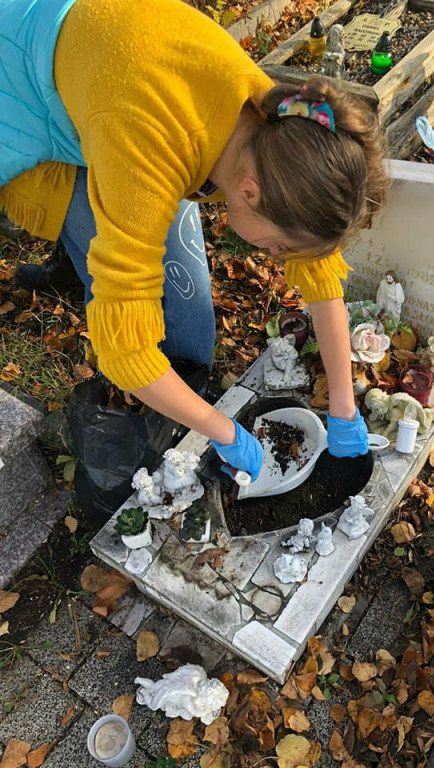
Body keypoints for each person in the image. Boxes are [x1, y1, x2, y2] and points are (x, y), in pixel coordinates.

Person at [0, 0, 389, 483]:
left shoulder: (282, 126)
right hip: (23, 71)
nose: (277, 258)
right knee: (160, 315)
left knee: (187, 333)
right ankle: (82, 253)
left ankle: (85, 250)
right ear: (249, 193)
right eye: (277, 248)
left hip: (114, 82)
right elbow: (126, 351)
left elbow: (319, 269)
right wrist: (224, 432)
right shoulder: (146, 156)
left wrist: (344, 406)